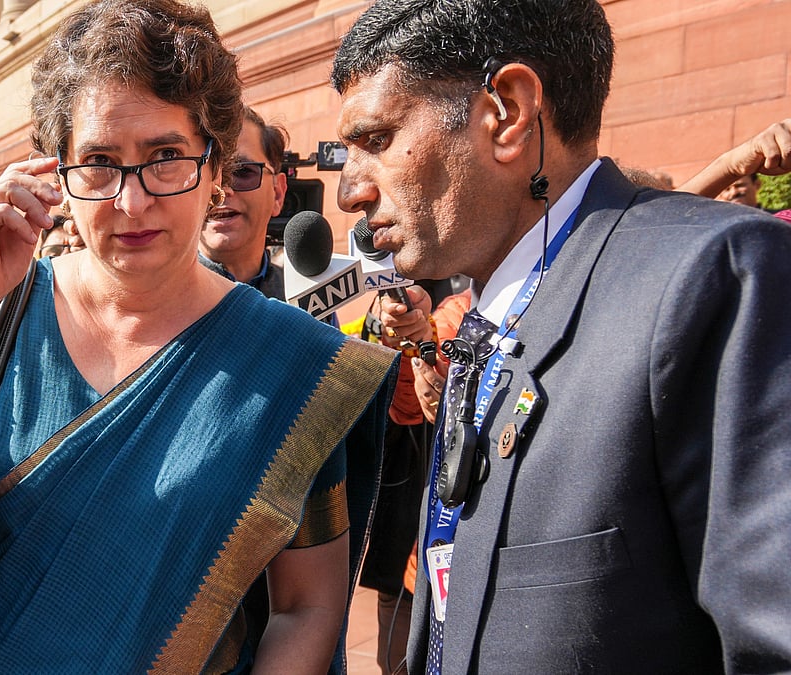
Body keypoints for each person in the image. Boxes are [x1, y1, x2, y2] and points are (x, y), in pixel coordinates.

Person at [0, 1, 398, 672]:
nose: (131, 201)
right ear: (56, 172)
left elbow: (306, 605)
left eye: (166, 157)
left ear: (215, 163)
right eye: (100, 162)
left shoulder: (293, 365)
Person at [330, 1, 791, 672]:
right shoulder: (486, 318)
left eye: (375, 138)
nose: (348, 192)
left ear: (508, 112)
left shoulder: (717, 281)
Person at [199, 106, 288, 298]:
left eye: (242, 172)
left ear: (278, 193)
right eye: (205, 175)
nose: (221, 190)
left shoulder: (308, 303)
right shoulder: (148, 301)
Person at [678, 118, 791, 206]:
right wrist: (730, 167)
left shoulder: (779, 220)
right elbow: (669, 215)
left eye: (740, 185)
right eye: (726, 189)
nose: (733, 193)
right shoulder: (713, 227)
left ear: (756, 185)